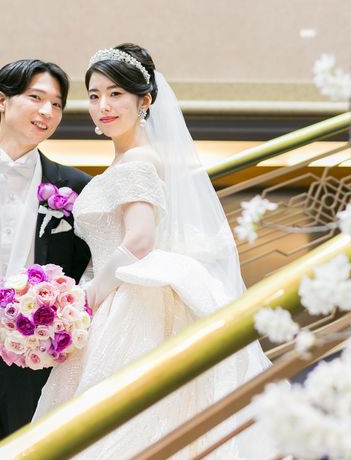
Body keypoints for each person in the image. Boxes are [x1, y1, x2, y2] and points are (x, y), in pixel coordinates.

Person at [33, 44, 271, 458]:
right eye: (94, 95)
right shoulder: (126, 159)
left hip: (126, 301)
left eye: (116, 94)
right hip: (116, 293)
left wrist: (88, 297)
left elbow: (140, 240)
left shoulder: (139, 160)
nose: (103, 106)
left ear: (144, 101)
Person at [0, 59, 91, 438]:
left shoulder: (75, 187)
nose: (47, 112)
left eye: (57, 104)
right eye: (36, 98)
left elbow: (84, 269)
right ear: (2, 101)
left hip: (29, 352)